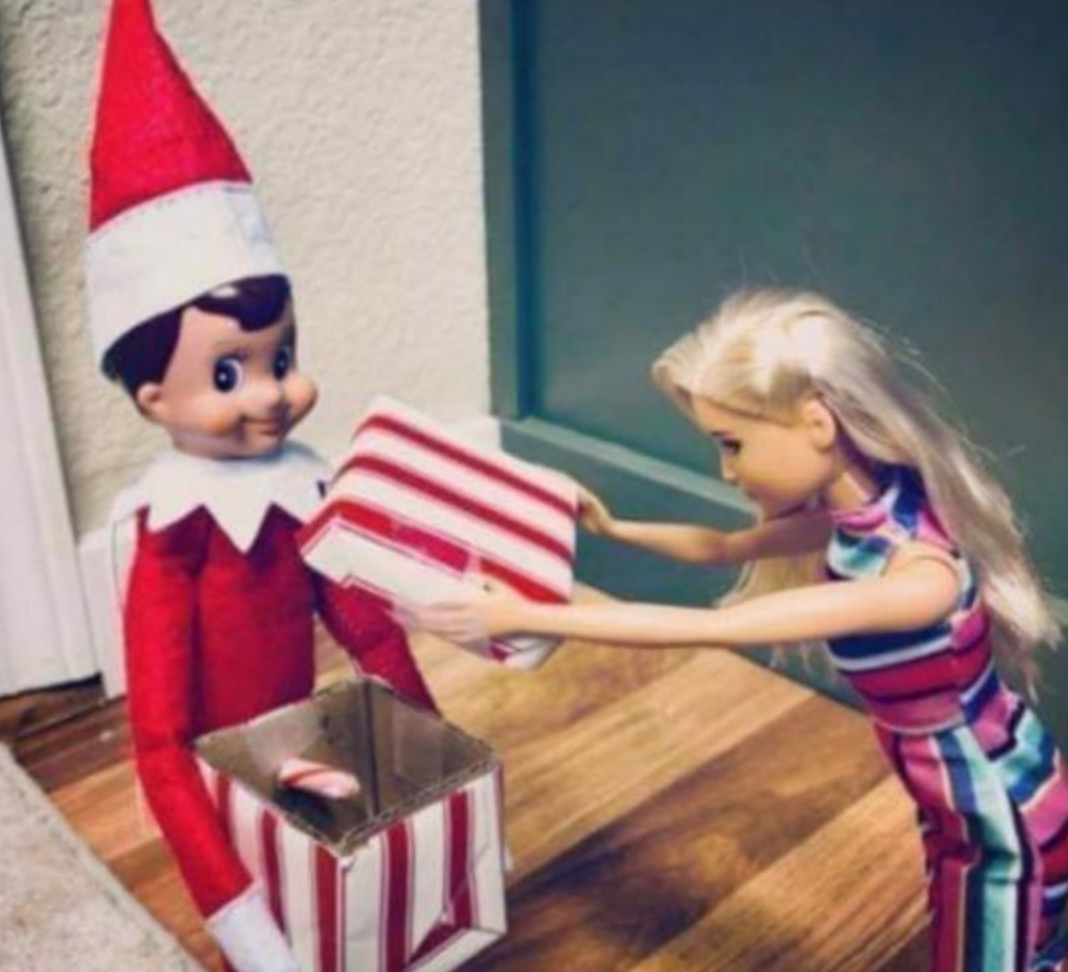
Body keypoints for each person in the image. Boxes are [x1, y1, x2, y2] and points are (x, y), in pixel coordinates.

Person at [415, 288, 1068, 972]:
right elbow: (723, 547)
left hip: (999, 807)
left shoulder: (917, 577)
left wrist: (524, 617)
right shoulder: (867, 521)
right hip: (953, 800)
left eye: (734, 444)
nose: (727, 471)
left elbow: (708, 626)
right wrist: (610, 527)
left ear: (817, 423)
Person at [84, 3, 434, 971]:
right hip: (215, 775)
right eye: (230, 372)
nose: (276, 394)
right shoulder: (173, 531)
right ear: (155, 397)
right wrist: (237, 919)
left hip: (288, 741)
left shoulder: (297, 491)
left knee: (330, 850)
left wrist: (436, 774)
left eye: (283, 358)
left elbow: (367, 628)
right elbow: (159, 742)